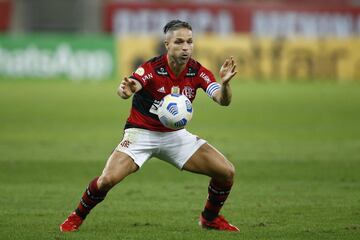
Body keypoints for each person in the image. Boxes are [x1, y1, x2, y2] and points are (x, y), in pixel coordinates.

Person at [60, 19, 239, 232]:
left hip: (175, 136)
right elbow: (132, 85)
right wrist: (124, 91)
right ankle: (76, 217)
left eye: (190, 42)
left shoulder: (197, 71)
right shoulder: (152, 68)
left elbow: (222, 100)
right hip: (140, 134)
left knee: (226, 172)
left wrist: (226, 85)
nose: (185, 47)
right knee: (107, 180)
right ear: (167, 44)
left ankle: (209, 218)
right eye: (179, 42)